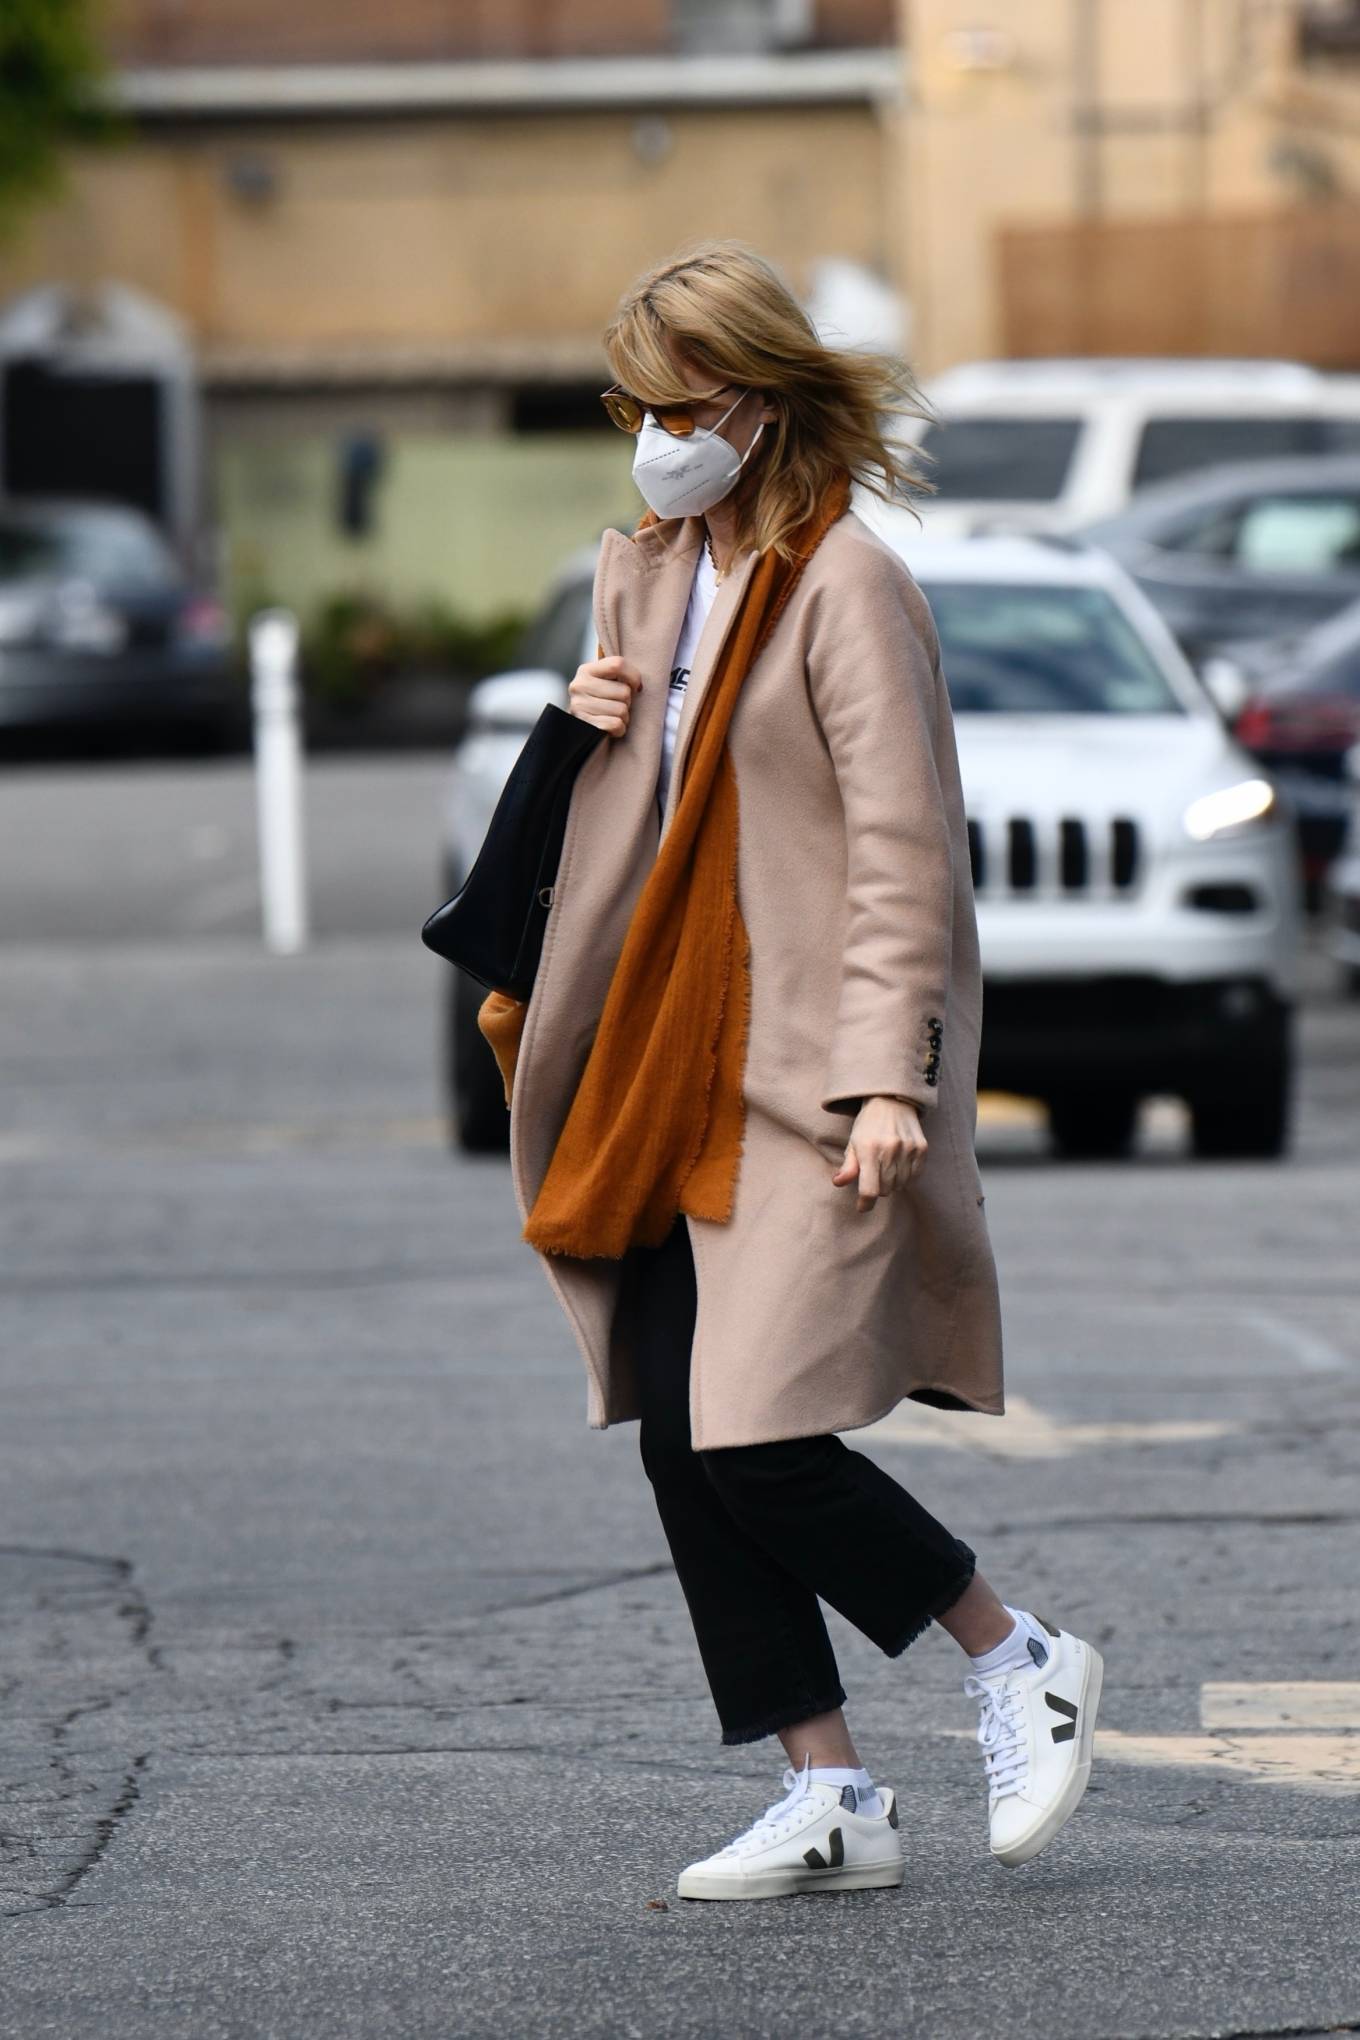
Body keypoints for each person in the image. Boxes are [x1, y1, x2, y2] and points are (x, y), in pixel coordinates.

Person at [478, 241, 1102, 1902]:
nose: (651, 434)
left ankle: (1015, 1652)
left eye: (676, 404)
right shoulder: (650, 575)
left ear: (754, 407)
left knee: (756, 1435)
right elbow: (645, 835)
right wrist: (593, 722)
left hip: (803, 1074)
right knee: (685, 1440)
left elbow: (907, 849)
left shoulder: (848, 584)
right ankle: (829, 1793)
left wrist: (892, 1075)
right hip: (659, 1059)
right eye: (632, 404)